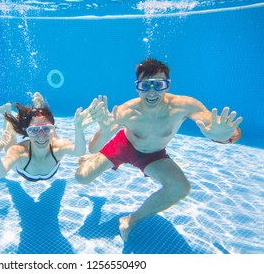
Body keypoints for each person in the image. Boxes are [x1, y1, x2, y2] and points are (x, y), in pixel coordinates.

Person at [75, 58, 243, 242]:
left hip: (153, 155)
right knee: (81, 178)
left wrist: (221, 137)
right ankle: (89, 168)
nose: (152, 92)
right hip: (124, 146)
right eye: (145, 86)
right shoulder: (126, 111)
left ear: (167, 85)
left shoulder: (185, 106)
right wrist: (105, 132)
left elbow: (230, 132)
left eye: (159, 84)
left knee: (180, 187)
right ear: (137, 87)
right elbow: (93, 147)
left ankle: (132, 219)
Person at [0, 92, 103, 182]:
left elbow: (79, 152)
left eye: (45, 129)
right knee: (10, 143)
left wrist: (78, 129)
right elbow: (0, 173)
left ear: (53, 127)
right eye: (34, 131)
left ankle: (38, 106)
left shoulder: (58, 145)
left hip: (51, 167)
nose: (40, 136)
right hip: (24, 171)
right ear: (28, 132)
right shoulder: (19, 151)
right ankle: (7, 114)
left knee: (54, 139)